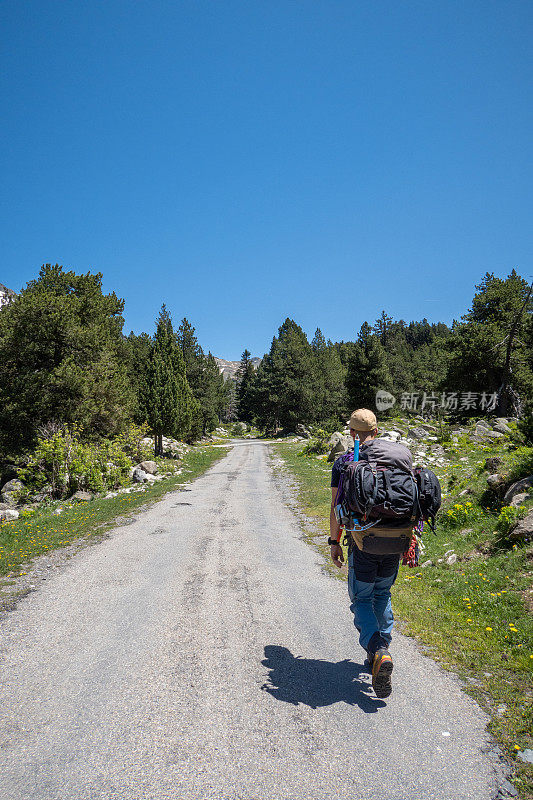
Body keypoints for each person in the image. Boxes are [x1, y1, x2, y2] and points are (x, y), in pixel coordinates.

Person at [329, 408, 412, 699]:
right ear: (376, 432)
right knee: (383, 595)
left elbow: (335, 508)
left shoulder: (345, 462)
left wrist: (334, 541)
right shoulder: (398, 458)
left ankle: (377, 651)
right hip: (396, 542)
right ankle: (381, 651)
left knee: (362, 598)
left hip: (363, 543)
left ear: (351, 433)